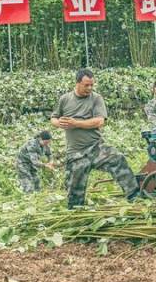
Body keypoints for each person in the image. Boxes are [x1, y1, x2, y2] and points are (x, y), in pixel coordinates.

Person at [52, 69, 139, 208]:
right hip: (75, 153)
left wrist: (76, 123)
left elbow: (99, 121)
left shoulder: (96, 98)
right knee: (74, 194)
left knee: (118, 158)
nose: (90, 88)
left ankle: (135, 197)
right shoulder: (65, 99)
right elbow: (54, 118)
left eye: (92, 85)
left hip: (96, 147)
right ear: (77, 83)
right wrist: (59, 123)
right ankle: (75, 215)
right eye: (86, 85)